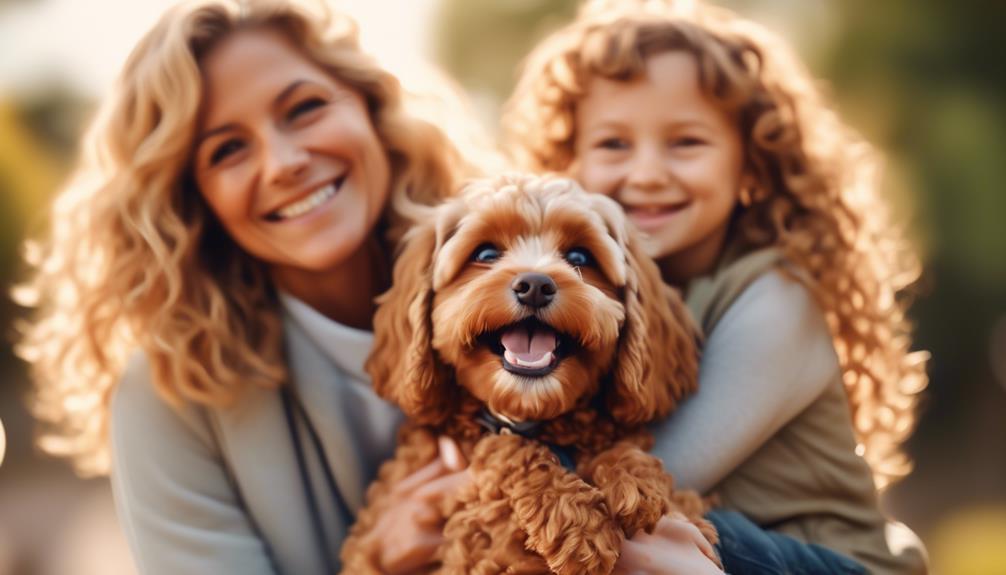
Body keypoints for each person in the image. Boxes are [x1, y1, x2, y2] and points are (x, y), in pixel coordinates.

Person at [14, 0, 473, 573]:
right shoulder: (168, 396)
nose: (282, 163)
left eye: (304, 108)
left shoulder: (519, 279)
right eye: (228, 149)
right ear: (189, 201)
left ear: (371, 107)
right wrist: (375, 563)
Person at [502, 1, 930, 573]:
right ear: (568, 162)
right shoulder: (590, 297)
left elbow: (661, 471)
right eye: (613, 144)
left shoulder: (779, 295)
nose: (648, 172)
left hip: (824, 562)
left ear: (752, 165)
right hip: (716, 543)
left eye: (686, 143)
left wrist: (487, 471)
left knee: (642, 522)